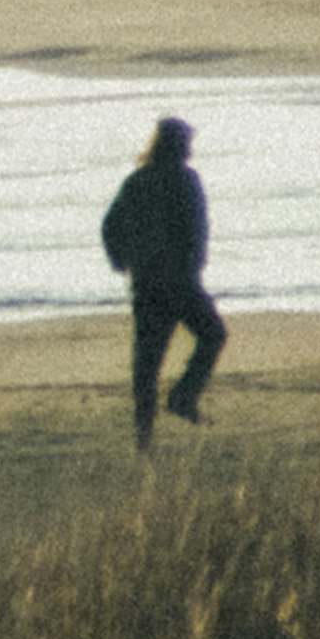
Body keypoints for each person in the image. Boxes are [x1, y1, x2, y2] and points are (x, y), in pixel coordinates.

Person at [100, 115, 225, 453]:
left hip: (148, 283)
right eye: (187, 143)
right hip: (178, 283)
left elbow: (110, 226)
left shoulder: (139, 180)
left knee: (146, 364)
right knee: (212, 335)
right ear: (178, 146)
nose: (190, 150)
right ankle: (182, 398)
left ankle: (145, 437)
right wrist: (193, 263)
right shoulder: (184, 180)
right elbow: (197, 229)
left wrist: (122, 262)